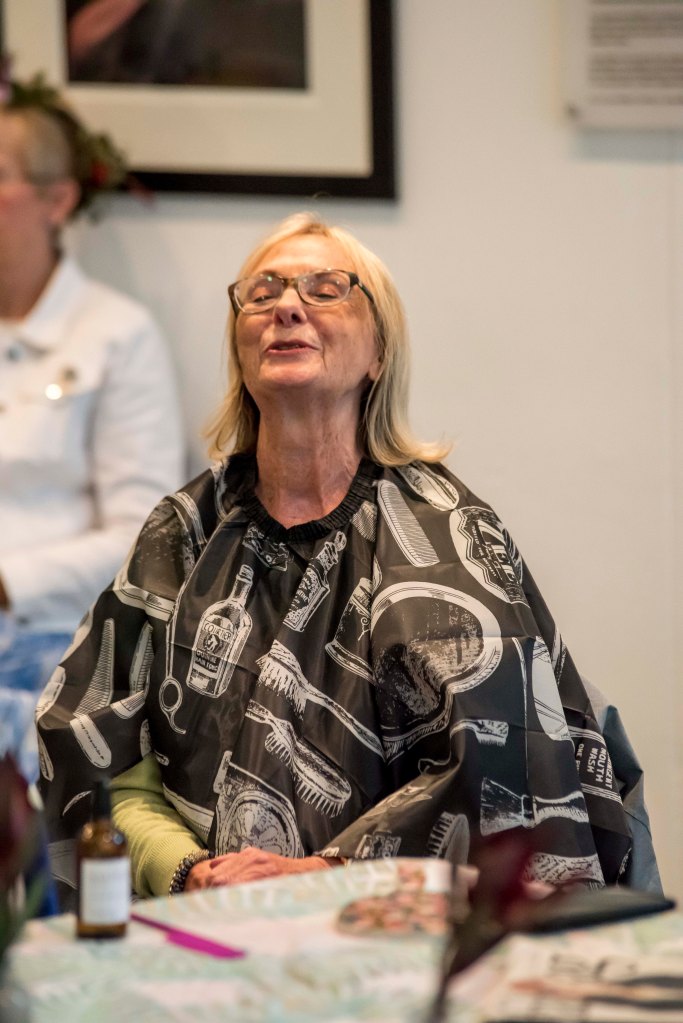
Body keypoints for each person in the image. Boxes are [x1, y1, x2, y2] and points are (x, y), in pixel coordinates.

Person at [37, 213, 660, 909]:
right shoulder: (182, 533)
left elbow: (503, 779)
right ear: (240, 346)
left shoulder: (449, 538)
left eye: (326, 288)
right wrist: (190, 871)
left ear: (378, 353)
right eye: (262, 291)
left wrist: (321, 873)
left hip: (398, 926)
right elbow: (99, 754)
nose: (287, 306)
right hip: (203, 918)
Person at [0, 75, 184, 775]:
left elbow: (143, 534)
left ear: (58, 200)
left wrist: (6, 581)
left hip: (58, 641)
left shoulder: (115, 334)